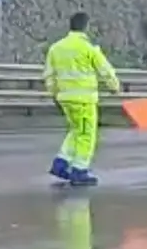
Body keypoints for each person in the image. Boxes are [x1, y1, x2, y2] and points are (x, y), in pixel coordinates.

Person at [43, 12, 121, 186]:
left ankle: (61, 163)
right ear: (86, 27)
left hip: (65, 99)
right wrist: (114, 87)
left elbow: (49, 75)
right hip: (84, 100)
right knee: (86, 134)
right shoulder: (88, 48)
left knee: (75, 130)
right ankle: (80, 170)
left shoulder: (56, 48)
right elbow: (105, 70)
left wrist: (54, 93)